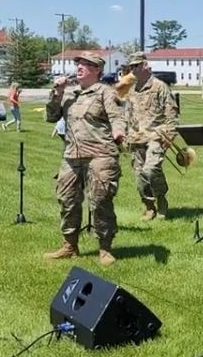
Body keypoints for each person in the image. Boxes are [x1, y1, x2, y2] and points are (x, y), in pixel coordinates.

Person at [43, 51, 126, 266]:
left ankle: (105, 248)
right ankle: (69, 245)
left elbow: (117, 117)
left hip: (100, 155)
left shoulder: (105, 93)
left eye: (85, 64)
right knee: (67, 199)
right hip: (72, 155)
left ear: (97, 70)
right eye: (78, 63)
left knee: (100, 200)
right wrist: (57, 93)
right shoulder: (70, 94)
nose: (79, 67)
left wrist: (119, 132)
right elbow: (51, 117)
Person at [123, 51, 179, 220]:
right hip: (136, 138)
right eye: (131, 66)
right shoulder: (131, 90)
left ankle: (161, 197)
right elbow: (127, 115)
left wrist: (169, 135)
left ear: (145, 66)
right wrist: (125, 135)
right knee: (140, 174)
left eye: (136, 66)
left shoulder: (159, 87)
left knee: (151, 168)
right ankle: (148, 206)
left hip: (157, 136)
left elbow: (171, 113)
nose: (132, 69)